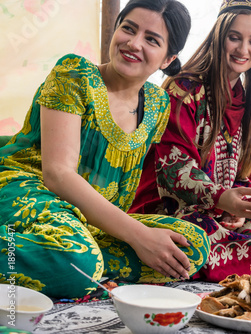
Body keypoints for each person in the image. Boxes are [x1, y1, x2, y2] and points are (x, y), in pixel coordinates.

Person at [0, 0, 211, 298]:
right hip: (29, 191)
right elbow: (58, 174)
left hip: (89, 219)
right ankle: (79, 266)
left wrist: (147, 238)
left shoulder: (158, 104)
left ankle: (79, 268)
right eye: (129, 28)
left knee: (191, 244)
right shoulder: (75, 74)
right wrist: (140, 237)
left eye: (152, 40)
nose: (134, 43)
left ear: (168, 58)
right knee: (79, 259)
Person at [130, 0, 251, 282]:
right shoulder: (184, 89)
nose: (243, 49)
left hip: (219, 212)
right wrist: (222, 199)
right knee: (198, 241)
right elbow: (173, 171)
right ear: (218, 37)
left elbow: (243, 173)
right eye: (234, 37)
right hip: (169, 209)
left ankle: (216, 266)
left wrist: (242, 208)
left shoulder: (247, 101)